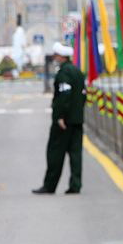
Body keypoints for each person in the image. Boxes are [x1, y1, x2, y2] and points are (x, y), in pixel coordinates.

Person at [33, 42, 86, 195]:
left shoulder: (64, 73)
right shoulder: (77, 71)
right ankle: (75, 185)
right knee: (76, 154)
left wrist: (61, 116)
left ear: (62, 56)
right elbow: (82, 94)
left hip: (64, 122)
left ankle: (50, 185)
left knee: (55, 153)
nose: (54, 57)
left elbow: (65, 96)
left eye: (56, 55)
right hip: (77, 119)